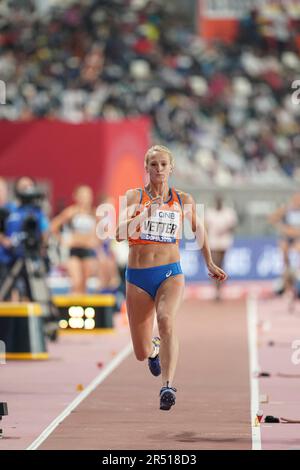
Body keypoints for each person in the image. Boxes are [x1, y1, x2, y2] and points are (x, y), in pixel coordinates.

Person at [116, 145, 227, 411]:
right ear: (146, 168)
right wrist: (146, 214)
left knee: (166, 320)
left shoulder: (183, 199)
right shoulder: (134, 196)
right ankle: (154, 350)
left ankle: (167, 385)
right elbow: (119, 233)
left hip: (169, 273)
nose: (159, 170)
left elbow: (198, 228)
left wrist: (209, 261)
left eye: (163, 164)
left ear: (171, 168)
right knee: (141, 353)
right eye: (153, 164)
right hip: (138, 279)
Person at [51, 185, 98, 294]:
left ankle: (83, 309)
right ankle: (72, 307)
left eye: (87, 196)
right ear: (76, 197)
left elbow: (101, 232)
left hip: (87, 251)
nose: (85, 198)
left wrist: (95, 241)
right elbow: (54, 226)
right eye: (82, 196)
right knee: (76, 282)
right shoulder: (71, 212)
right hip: (74, 250)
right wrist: (62, 239)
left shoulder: (94, 213)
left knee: (84, 284)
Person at [205, 195, 237, 301]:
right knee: (215, 264)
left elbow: (233, 226)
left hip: (224, 242)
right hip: (213, 242)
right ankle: (216, 289)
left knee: (221, 264)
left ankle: (219, 288)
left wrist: (224, 230)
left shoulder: (228, 213)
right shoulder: (210, 213)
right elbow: (206, 227)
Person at [269, 192, 300, 294]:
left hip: (298, 239)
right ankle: (287, 284)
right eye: (296, 199)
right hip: (288, 239)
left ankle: (295, 279)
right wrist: (282, 228)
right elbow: (272, 218)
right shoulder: (288, 209)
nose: (297, 202)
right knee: (284, 251)